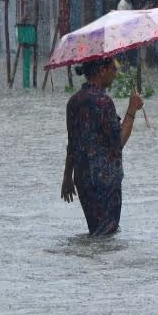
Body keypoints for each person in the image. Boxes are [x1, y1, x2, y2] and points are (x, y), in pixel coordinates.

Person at [61, 56, 144, 236]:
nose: (115, 75)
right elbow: (118, 142)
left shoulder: (73, 102)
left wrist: (67, 177)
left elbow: (72, 143)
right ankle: (102, 264)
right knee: (106, 234)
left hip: (83, 178)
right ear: (102, 71)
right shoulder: (103, 102)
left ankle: (91, 262)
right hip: (105, 179)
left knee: (96, 232)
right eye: (113, 70)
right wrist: (131, 109)